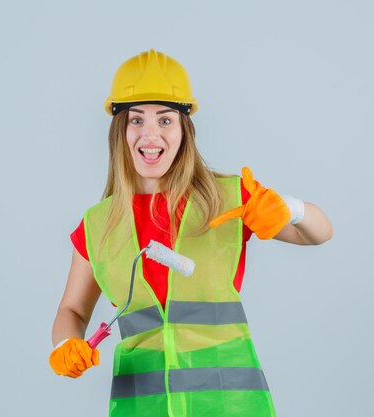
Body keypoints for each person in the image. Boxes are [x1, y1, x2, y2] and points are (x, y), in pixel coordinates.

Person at [49, 49, 333, 417]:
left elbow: (320, 232)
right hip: (143, 408)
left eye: (165, 120)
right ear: (120, 131)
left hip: (230, 407)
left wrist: (292, 209)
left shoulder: (228, 198)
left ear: (184, 130)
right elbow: (72, 308)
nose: (151, 134)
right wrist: (64, 345)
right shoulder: (98, 223)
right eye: (137, 120)